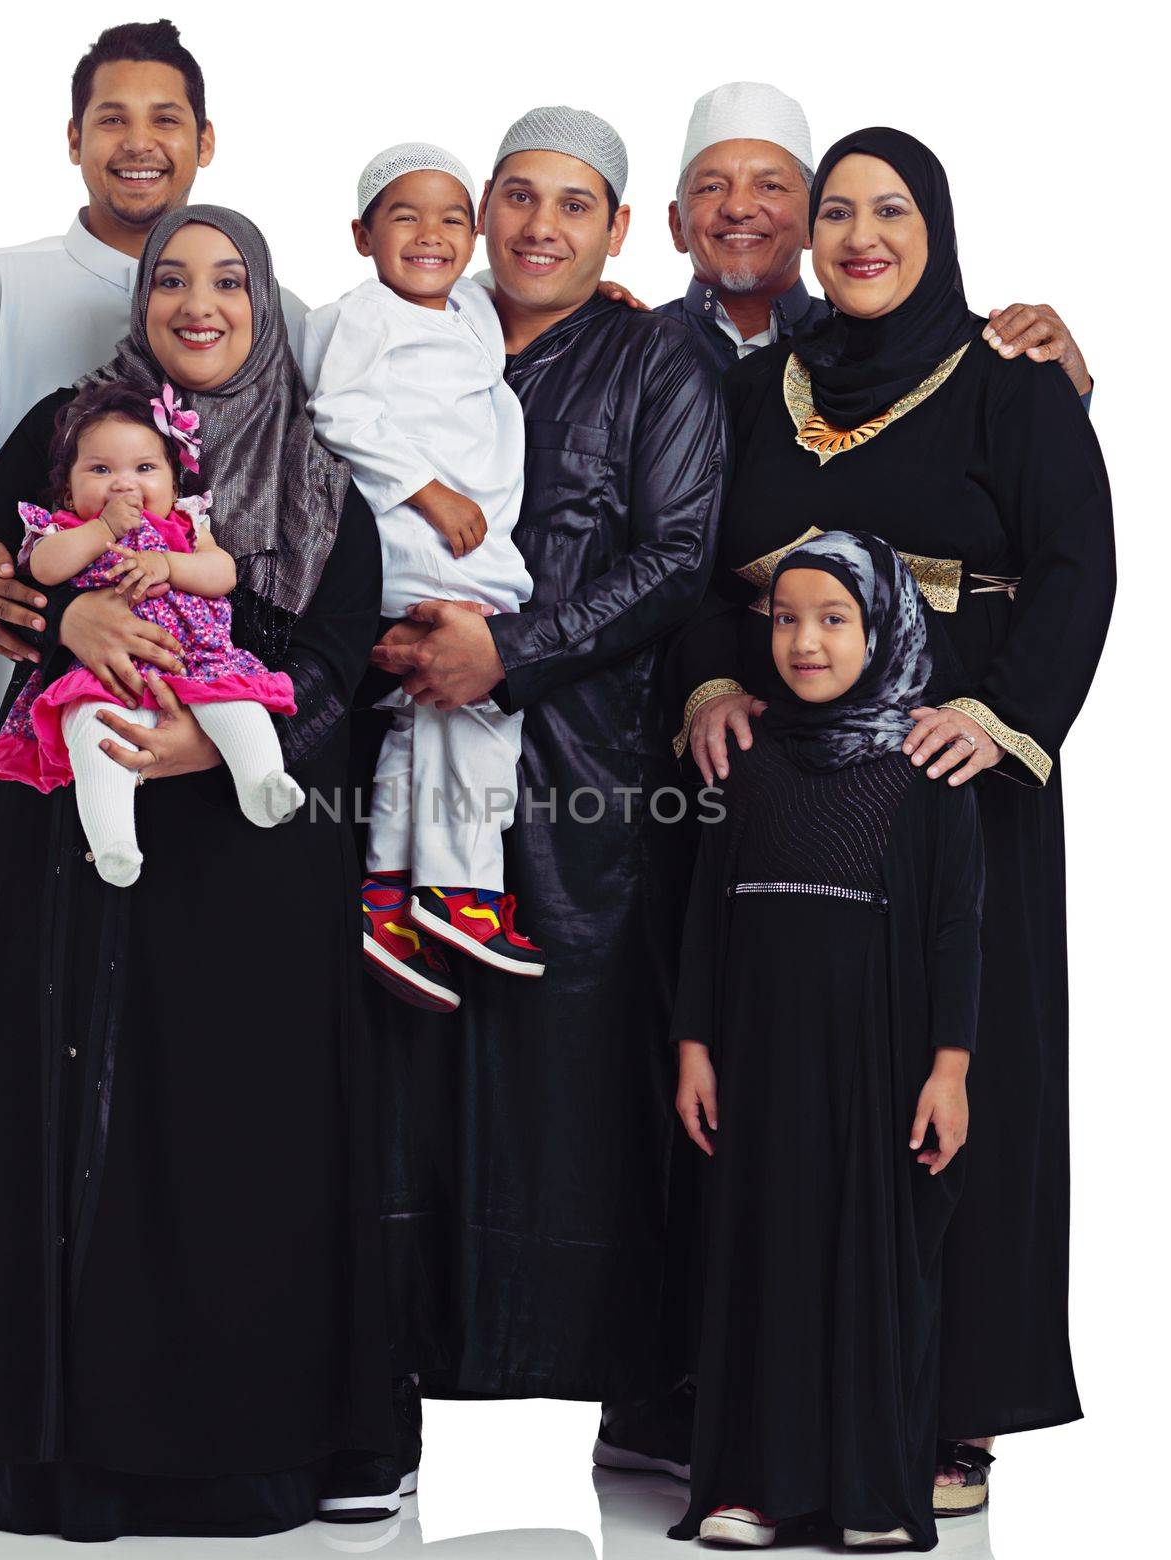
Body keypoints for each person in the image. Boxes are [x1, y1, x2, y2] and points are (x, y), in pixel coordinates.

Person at [0, 20, 308, 1508]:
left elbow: (378, 406)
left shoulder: (261, 299)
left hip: (193, 774)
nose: (138, 143)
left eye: (165, 118)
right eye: (109, 117)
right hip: (14, 746)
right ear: (73, 140)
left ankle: (144, 1400)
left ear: (206, 143)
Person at [671, 128, 1116, 1513]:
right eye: (840, 213)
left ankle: (955, 1405)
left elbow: (1078, 568)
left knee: (949, 1083)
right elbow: (697, 559)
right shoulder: (760, 390)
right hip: (788, 795)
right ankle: (780, 1401)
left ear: (938, 226)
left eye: (892, 209)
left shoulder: (1014, 382)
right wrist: (706, 682)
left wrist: (1000, 716)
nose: (863, 235)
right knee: (790, 1084)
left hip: (950, 789)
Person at [0, 206, 398, 1539]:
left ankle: (238, 1448)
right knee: (76, 1125)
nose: (201, 306)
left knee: (234, 1135)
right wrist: (69, 616)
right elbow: (5, 581)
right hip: (75, 840)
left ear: (267, 305)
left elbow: (343, 653)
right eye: (173, 283)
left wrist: (224, 738)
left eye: (232, 281)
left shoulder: (314, 470)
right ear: (141, 304)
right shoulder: (61, 434)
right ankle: (61, 1452)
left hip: (249, 863)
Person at [363, 106, 724, 1475]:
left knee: (578, 1078)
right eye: (515, 197)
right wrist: (389, 642)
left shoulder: (655, 361)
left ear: (620, 231)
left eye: (575, 205)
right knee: (409, 1063)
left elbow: (679, 554)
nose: (538, 228)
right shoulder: (412, 330)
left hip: (585, 779)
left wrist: (504, 652)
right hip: (401, 746)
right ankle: (383, 1382)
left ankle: (631, 1387)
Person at [667, 530, 982, 1553]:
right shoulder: (749, 759)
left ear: (883, 625)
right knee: (762, 1252)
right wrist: (694, 1048)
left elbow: (953, 925)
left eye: (832, 619)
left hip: (876, 1059)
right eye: (785, 619)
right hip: (759, 1057)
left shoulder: (923, 767)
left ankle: (865, 1490)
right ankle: (755, 1485)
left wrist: (948, 1066)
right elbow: (707, 913)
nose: (803, 642)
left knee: (868, 1261)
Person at [299, 144, 539, 1009]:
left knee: (420, 723)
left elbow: (509, 303)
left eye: (451, 219)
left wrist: (617, 296)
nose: (431, 235)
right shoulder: (366, 313)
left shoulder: (467, 310)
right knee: (480, 711)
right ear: (363, 235)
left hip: (459, 545)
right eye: (405, 217)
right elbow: (340, 411)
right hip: (426, 544)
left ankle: (389, 897)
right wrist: (430, 493)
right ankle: (463, 892)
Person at [0, 379, 304, 885]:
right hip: (106, 672)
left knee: (234, 699)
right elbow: (45, 568)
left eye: (145, 468)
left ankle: (263, 780)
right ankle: (113, 843)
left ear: (175, 487)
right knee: (91, 729)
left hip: (195, 656)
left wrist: (169, 565)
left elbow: (222, 574)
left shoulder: (185, 524)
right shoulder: (65, 527)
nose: (123, 484)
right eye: (100, 469)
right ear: (69, 489)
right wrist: (103, 530)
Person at [656, 82, 1093, 395]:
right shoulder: (627, 345)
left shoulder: (879, 345)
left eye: (770, 186)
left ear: (814, 222)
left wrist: (1063, 388)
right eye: (711, 187)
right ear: (677, 224)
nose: (738, 207)